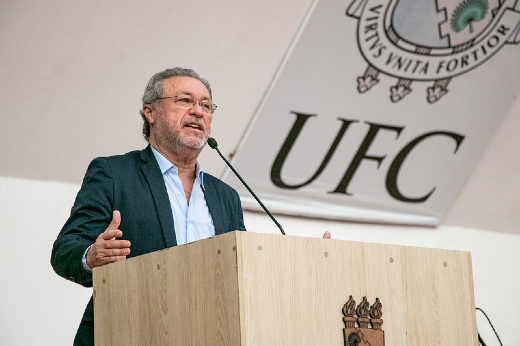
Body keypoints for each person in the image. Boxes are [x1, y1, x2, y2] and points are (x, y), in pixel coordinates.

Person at [51, 67, 246, 346]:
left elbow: (241, 272)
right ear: (150, 113)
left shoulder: (226, 196)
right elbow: (65, 248)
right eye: (184, 100)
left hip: (210, 334)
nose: (198, 111)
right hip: (127, 332)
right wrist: (91, 255)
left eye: (205, 105)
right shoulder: (114, 174)